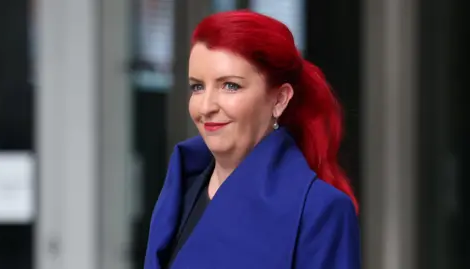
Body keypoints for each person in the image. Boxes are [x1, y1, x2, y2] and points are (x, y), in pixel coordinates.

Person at [144, 10, 360, 269]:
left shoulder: (320, 210)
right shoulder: (181, 185)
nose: (206, 106)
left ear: (279, 100)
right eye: (197, 87)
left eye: (230, 86)